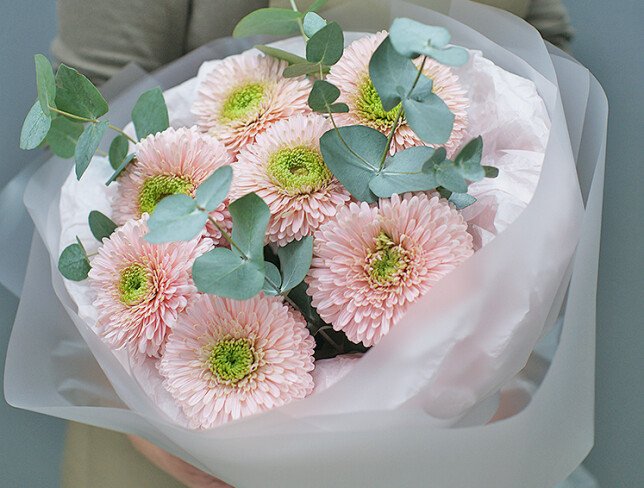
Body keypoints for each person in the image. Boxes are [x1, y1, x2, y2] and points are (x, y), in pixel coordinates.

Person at [53, 1, 574, 486]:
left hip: (462, 433)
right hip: (184, 447)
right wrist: (167, 432)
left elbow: (547, 60)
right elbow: (100, 152)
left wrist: (494, 361)